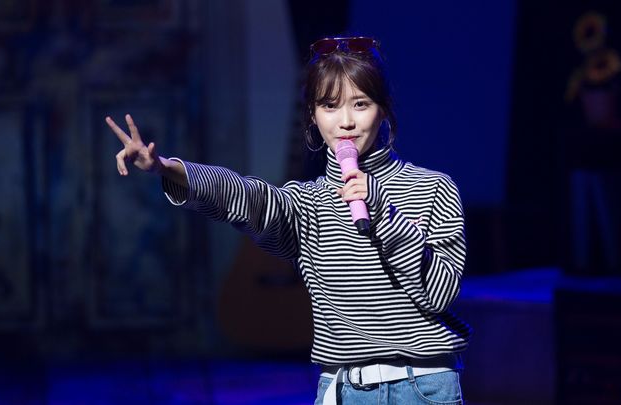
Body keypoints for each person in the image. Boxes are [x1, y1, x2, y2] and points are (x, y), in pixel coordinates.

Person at [107, 35, 473, 405]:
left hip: (423, 386)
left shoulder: (433, 188)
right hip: (345, 390)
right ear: (313, 115)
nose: (346, 121)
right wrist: (164, 167)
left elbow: (440, 294)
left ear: (383, 109)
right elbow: (243, 196)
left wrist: (383, 213)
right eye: (330, 106)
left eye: (360, 104)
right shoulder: (307, 203)